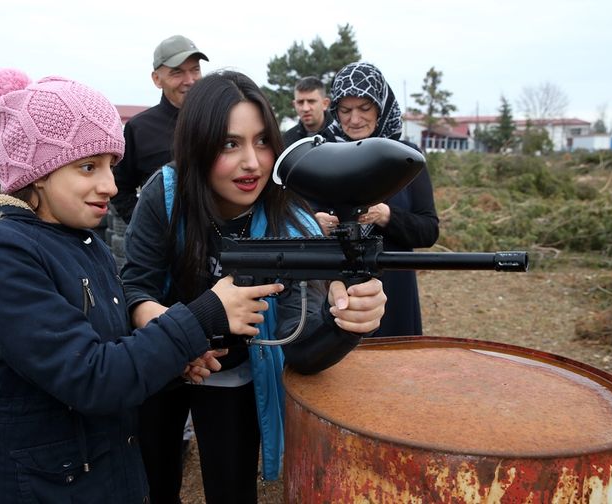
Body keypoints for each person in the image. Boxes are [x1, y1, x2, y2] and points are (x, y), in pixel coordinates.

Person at [0, 68, 285, 503]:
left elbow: (113, 347)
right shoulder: (1, 254)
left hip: (96, 472)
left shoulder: (82, 240)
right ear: (38, 171)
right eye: (88, 167)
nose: (110, 185)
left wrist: (171, 362)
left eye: (112, 165)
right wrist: (205, 312)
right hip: (42, 486)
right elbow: (93, 377)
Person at [121, 70, 387, 504]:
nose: (253, 162)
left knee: (232, 486)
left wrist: (348, 324)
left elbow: (300, 350)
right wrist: (176, 334)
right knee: (152, 481)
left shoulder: (294, 224)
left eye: (263, 141)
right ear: (197, 145)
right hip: (158, 360)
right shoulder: (165, 194)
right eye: (230, 144)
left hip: (238, 374)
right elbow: (134, 287)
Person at [315, 61, 439, 337]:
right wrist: (314, 223)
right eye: (345, 110)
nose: (354, 119)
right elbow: (292, 217)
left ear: (381, 108)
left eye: (364, 108)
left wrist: (387, 216)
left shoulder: (407, 159)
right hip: (339, 295)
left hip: (395, 292)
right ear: (334, 110)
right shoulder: (320, 155)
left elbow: (428, 230)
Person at [111, 34, 209, 224]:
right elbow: (120, 188)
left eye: (195, 70)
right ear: (157, 79)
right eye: (177, 72)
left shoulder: (223, 120)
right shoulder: (139, 129)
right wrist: (145, 226)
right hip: (167, 250)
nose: (190, 80)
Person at [282, 76, 334, 146]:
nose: (305, 108)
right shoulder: (287, 140)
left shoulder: (341, 134)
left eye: (311, 101)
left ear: (325, 104)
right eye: (300, 102)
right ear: (294, 105)